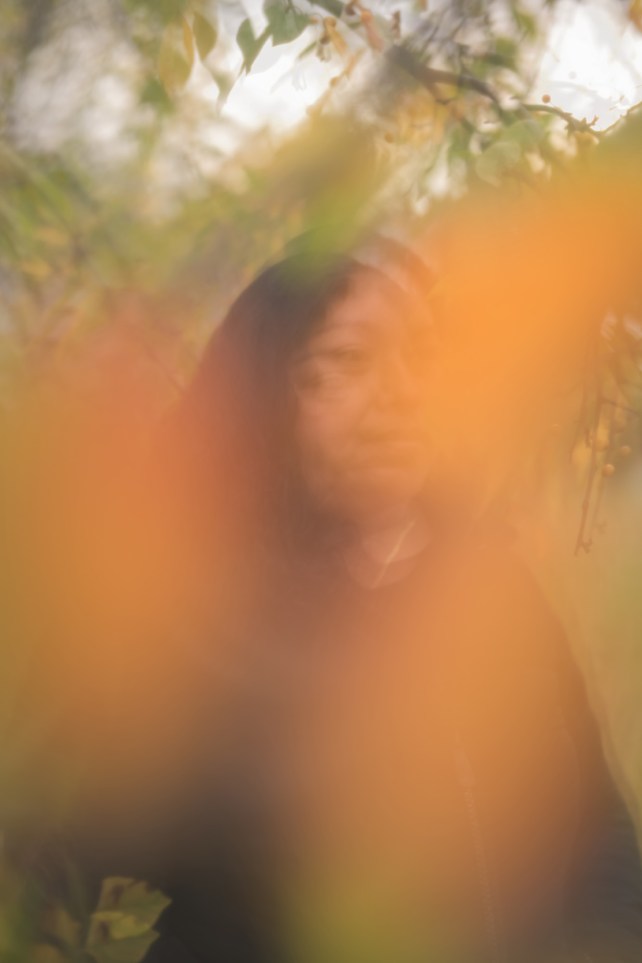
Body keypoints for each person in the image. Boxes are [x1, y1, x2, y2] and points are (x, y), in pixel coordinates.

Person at [137, 249, 642, 963]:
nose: (400, 392)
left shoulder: (494, 588)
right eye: (346, 359)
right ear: (262, 390)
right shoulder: (197, 618)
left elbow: (599, 827)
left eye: (422, 355)